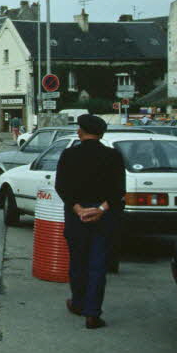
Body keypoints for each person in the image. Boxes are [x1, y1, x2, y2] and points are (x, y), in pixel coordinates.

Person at [54, 113, 125, 329]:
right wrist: (101, 209)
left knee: (78, 261)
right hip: (104, 216)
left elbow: (61, 186)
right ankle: (93, 313)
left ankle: (78, 303)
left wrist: (78, 209)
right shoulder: (113, 156)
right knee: (98, 264)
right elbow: (119, 190)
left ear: (81, 132)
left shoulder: (69, 155)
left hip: (76, 216)